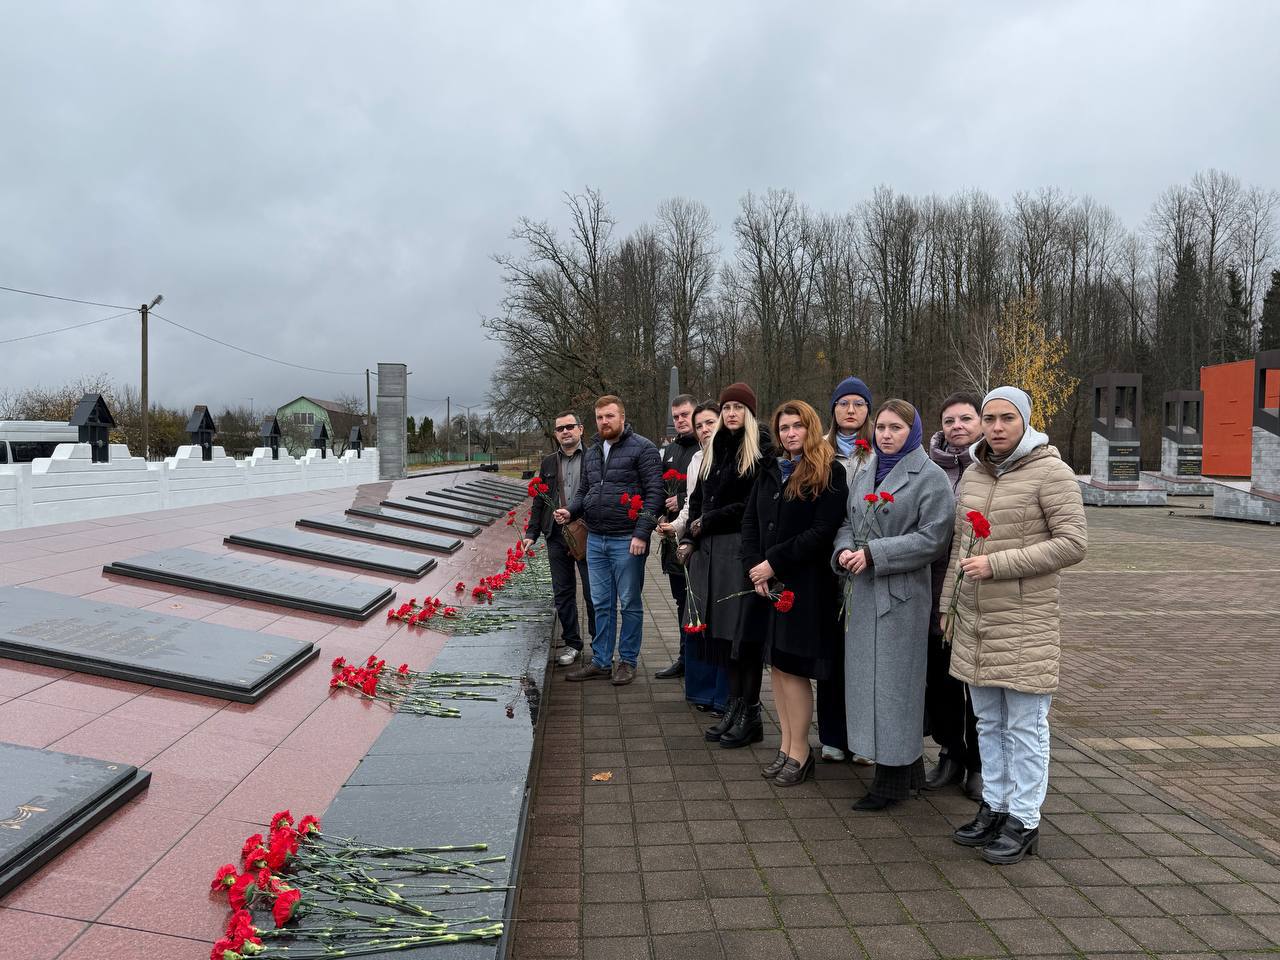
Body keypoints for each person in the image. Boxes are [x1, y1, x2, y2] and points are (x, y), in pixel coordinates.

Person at [942, 386, 1087, 864]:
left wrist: (999, 563)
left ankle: (1025, 819)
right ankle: (996, 808)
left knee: (1026, 726)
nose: (997, 427)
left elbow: (1072, 544)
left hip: (1025, 620)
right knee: (988, 721)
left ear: (1026, 421)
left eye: (1007, 418)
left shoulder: (1052, 472)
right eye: (990, 418)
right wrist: (947, 607)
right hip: (976, 619)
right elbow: (960, 548)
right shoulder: (975, 475)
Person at [833, 399, 954, 811]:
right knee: (869, 684)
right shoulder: (865, 468)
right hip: (862, 592)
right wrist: (845, 550)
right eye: (881, 427)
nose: (885, 434)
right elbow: (848, 521)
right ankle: (909, 769)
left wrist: (876, 554)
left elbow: (933, 538)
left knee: (895, 689)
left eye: (896, 428)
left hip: (901, 596)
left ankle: (891, 779)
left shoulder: (930, 476)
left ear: (913, 431)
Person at [741, 400, 847, 786]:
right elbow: (750, 521)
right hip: (767, 583)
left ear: (811, 428)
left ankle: (801, 753)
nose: (789, 434)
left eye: (797, 427)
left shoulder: (829, 471)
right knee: (779, 668)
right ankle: (785, 746)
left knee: (796, 668)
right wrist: (755, 567)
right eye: (784, 427)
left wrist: (774, 563)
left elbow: (821, 532)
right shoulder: (769, 469)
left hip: (805, 585)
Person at [677, 382, 769, 748]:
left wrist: (708, 521)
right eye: (727, 406)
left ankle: (751, 712)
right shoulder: (714, 449)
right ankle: (732, 706)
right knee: (718, 636)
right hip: (709, 553)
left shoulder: (759, 451)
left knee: (740, 638)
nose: (731, 413)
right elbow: (696, 499)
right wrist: (688, 537)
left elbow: (750, 505)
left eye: (738, 407)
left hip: (737, 551)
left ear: (749, 412)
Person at [559, 395, 663, 686]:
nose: (605, 422)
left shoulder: (643, 448)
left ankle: (627, 661)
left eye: (610, 416)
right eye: (600, 417)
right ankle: (601, 661)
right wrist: (571, 510)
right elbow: (585, 491)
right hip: (595, 539)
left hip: (627, 540)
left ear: (622, 417)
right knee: (600, 602)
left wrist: (642, 532)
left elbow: (655, 494)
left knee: (629, 602)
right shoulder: (593, 452)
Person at [923, 392, 983, 797]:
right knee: (941, 680)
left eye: (965, 418)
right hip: (933, 590)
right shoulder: (930, 469)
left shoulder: (990, 467)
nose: (957, 426)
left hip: (978, 591)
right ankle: (951, 752)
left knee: (976, 684)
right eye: (949, 420)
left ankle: (980, 764)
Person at [819, 376, 875, 764]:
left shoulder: (878, 451)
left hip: (866, 562)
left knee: (863, 656)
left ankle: (864, 738)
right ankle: (833, 735)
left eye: (858, 403)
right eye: (843, 404)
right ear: (834, 409)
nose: (850, 410)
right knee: (830, 653)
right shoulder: (818, 450)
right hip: (824, 561)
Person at [663, 401, 729, 712]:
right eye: (699, 424)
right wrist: (677, 530)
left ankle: (724, 694)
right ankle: (702, 692)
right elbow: (692, 505)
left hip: (727, 546)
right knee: (697, 616)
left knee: (721, 622)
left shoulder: (736, 455)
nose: (704, 429)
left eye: (709, 423)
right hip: (699, 544)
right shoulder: (696, 461)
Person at [523, 410, 595, 667]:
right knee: (563, 593)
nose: (565, 432)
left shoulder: (594, 458)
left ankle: (598, 646)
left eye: (569, 427)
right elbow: (539, 501)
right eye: (560, 428)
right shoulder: (548, 463)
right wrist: (531, 533)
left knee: (592, 592)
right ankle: (573, 643)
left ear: (580, 429)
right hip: (555, 535)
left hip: (587, 534)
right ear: (555, 434)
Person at [654, 394, 700, 679]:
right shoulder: (671, 451)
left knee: (695, 601)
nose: (681, 420)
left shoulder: (704, 447)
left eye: (685, 414)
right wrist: (659, 515)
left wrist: (681, 498)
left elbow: (704, 491)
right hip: (672, 537)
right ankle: (685, 656)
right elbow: (660, 489)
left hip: (696, 538)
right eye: (676, 416)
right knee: (680, 599)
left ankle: (695, 658)